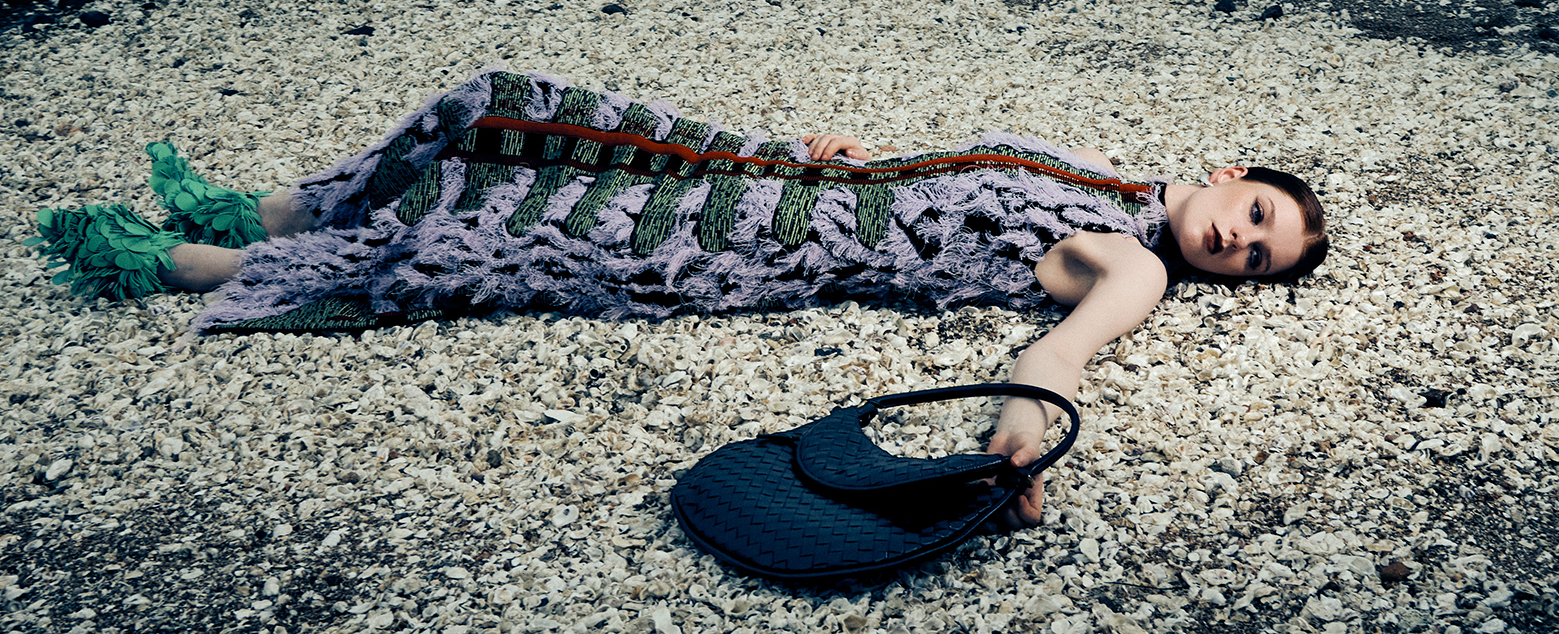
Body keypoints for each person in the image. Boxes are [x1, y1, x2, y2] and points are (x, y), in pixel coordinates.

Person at [31, 68, 1327, 529]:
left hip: (763, 242)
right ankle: (264, 212)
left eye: (1257, 260)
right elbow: (962, 182)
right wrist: (859, 158)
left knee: (495, 237)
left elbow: (1063, 353)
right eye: (1258, 214)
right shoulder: (1112, 177)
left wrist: (1021, 435)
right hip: (786, 173)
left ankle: (178, 265)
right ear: (1231, 175)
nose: (1241, 244)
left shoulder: (1137, 261)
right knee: (501, 107)